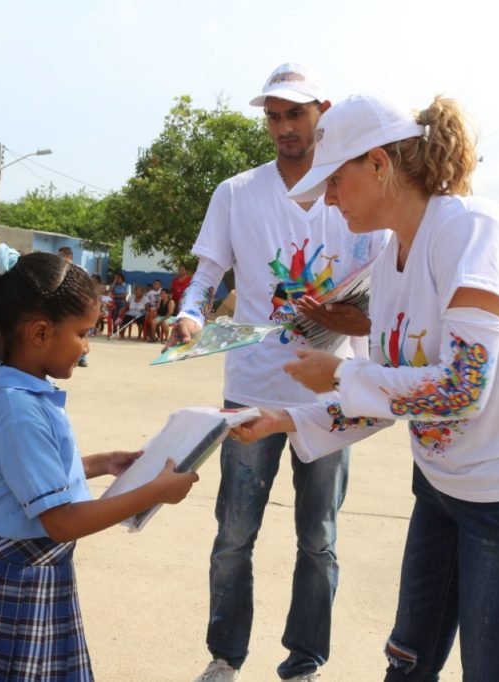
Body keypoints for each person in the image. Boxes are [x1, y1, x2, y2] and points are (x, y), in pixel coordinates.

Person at [231, 94, 499, 680]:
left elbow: (460, 387)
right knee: (408, 662)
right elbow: (395, 394)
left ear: (379, 164)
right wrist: (286, 419)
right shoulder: (391, 259)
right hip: (445, 490)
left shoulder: (470, 231)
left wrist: (344, 373)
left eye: (334, 180)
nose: (327, 197)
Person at [174, 64, 385, 682]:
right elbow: (207, 276)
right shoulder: (237, 193)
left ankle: (305, 661)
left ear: (322, 110)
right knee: (234, 536)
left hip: (329, 394)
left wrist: (353, 324)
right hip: (249, 392)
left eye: (294, 113)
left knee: (319, 539)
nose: (284, 127)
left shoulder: (350, 190)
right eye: (273, 115)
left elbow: (384, 285)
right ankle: (224, 656)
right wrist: (190, 315)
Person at [0, 244, 199, 681]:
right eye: (83, 333)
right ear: (38, 333)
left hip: (30, 574)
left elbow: (26, 479)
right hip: (18, 583)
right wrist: (154, 492)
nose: (87, 346)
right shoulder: (18, 408)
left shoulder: (27, 396)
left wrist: (103, 462)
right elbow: (62, 522)